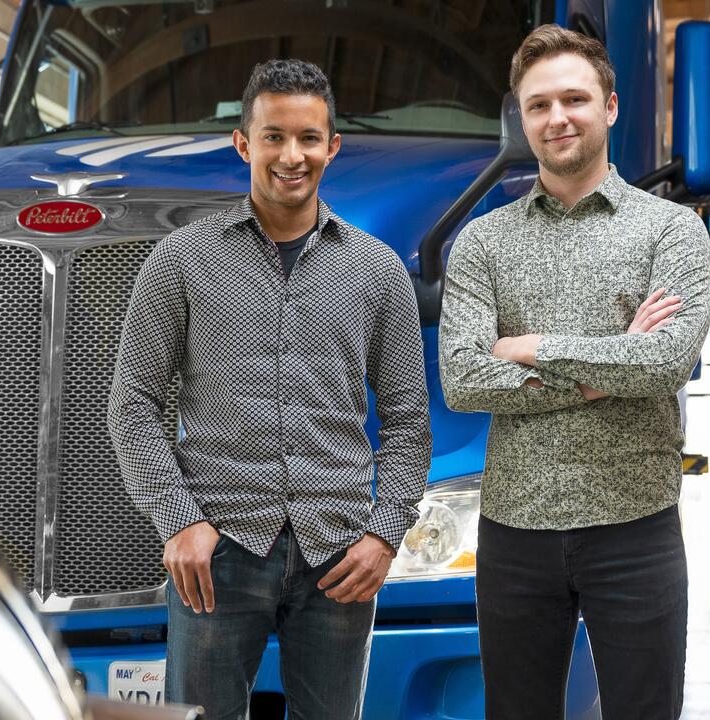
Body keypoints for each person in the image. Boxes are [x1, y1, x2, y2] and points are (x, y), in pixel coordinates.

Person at [108, 59, 432, 720]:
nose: (293, 155)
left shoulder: (379, 272)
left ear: (332, 147)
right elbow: (132, 403)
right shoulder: (180, 260)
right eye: (275, 136)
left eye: (309, 138)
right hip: (218, 553)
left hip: (339, 553)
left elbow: (407, 419)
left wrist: (385, 534)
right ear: (244, 143)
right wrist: (179, 521)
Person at [437, 24, 710, 720]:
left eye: (574, 99)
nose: (557, 118)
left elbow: (663, 362)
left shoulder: (671, 231)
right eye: (538, 105)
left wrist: (526, 346)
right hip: (513, 529)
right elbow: (463, 380)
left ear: (610, 107)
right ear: (521, 118)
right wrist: (603, 367)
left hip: (636, 525)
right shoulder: (483, 240)